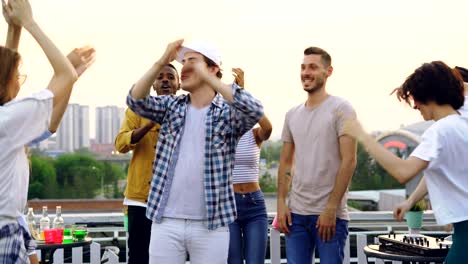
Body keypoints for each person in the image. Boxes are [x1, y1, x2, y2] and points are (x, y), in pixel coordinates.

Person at [126, 40, 264, 263]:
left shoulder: (226, 115)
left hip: (211, 226)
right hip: (165, 222)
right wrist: (161, 61)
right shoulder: (171, 106)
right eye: (183, 62)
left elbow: (255, 110)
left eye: (192, 61)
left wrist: (210, 78)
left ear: (212, 69)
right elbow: (135, 100)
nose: (185, 67)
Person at [342, 61, 468, 263]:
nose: (416, 106)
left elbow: (403, 172)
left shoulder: (439, 132)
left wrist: (363, 137)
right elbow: (438, 169)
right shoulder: (463, 121)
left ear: (429, 95)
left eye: (416, 98)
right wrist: (410, 201)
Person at [0, 0, 93, 262]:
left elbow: (49, 123)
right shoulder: (6, 120)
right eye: (18, 76)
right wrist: (29, 23)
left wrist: (14, 29)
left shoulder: (6, 119)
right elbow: (64, 75)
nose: (20, 80)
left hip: (11, 227)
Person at [276, 46, 357, 264]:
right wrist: (281, 203)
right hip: (296, 216)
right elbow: (285, 163)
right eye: (303, 67)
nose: (306, 72)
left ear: (328, 71)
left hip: (331, 216)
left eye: (313, 67)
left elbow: (349, 161)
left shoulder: (342, 108)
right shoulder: (291, 115)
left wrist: (331, 208)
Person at [114, 63, 179, 264]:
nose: (165, 80)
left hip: (174, 203)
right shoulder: (137, 110)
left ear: (179, 84)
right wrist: (148, 124)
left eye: (170, 77)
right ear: (153, 84)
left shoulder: (187, 111)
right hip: (140, 199)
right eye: (160, 77)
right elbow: (120, 144)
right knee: (139, 257)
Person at [228, 68, 272, 264]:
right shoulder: (220, 135)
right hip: (228, 204)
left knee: (256, 261)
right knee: (234, 261)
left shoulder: (254, 134)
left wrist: (243, 94)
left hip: (254, 205)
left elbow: (268, 127)